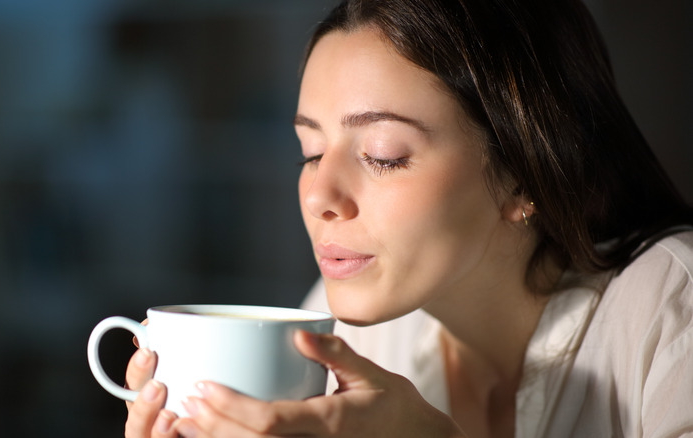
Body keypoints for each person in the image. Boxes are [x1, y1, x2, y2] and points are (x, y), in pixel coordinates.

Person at [122, 0, 693, 436]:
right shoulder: (333, 323)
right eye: (310, 153)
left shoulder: (671, 308)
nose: (320, 193)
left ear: (525, 173)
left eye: (383, 155)